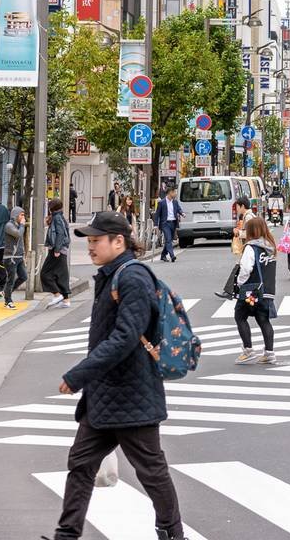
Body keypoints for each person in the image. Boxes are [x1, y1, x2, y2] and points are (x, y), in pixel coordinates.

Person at [49, 211, 185, 540]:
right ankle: (66, 534)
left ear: (118, 241)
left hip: (131, 393)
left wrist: (80, 374)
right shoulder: (112, 276)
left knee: (151, 470)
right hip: (106, 395)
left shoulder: (132, 278)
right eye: (89, 241)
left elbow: (125, 337)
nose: (90, 248)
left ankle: (172, 533)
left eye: (96, 241)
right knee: (81, 462)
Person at [233, 216, 278, 365]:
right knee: (264, 320)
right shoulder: (270, 247)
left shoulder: (251, 248)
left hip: (251, 291)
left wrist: (239, 283)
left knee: (240, 316)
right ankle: (269, 353)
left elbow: (246, 269)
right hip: (267, 291)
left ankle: (248, 350)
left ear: (252, 231)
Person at [42, 198, 73, 308]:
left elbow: (60, 234)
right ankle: (66, 300)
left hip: (57, 249)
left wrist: (57, 250)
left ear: (51, 208)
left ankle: (57, 294)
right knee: (61, 274)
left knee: (45, 273)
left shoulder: (57, 218)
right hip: (61, 249)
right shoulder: (59, 217)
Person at [3, 206, 29, 309]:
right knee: (11, 279)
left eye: (23, 215)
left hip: (18, 257)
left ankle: (6, 292)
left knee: (23, 277)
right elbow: (18, 234)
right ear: (15, 215)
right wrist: (22, 225)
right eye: (21, 215)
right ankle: (8, 301)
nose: (23, 217)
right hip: (11, 257)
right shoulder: (9, 225)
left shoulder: (18, 225)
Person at [153, 185, 183, 262]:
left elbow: (179, 209)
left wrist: (182, 213)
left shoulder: (175, 202)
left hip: (173, 223)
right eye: (174, 192)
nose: (175, 194)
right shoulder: (161, 203)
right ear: (170, 193)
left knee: (169, 240)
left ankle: (163, 255)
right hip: (165, 223)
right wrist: (155, 225)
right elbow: (157, 215)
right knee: (168, 239)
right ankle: (172, 255)